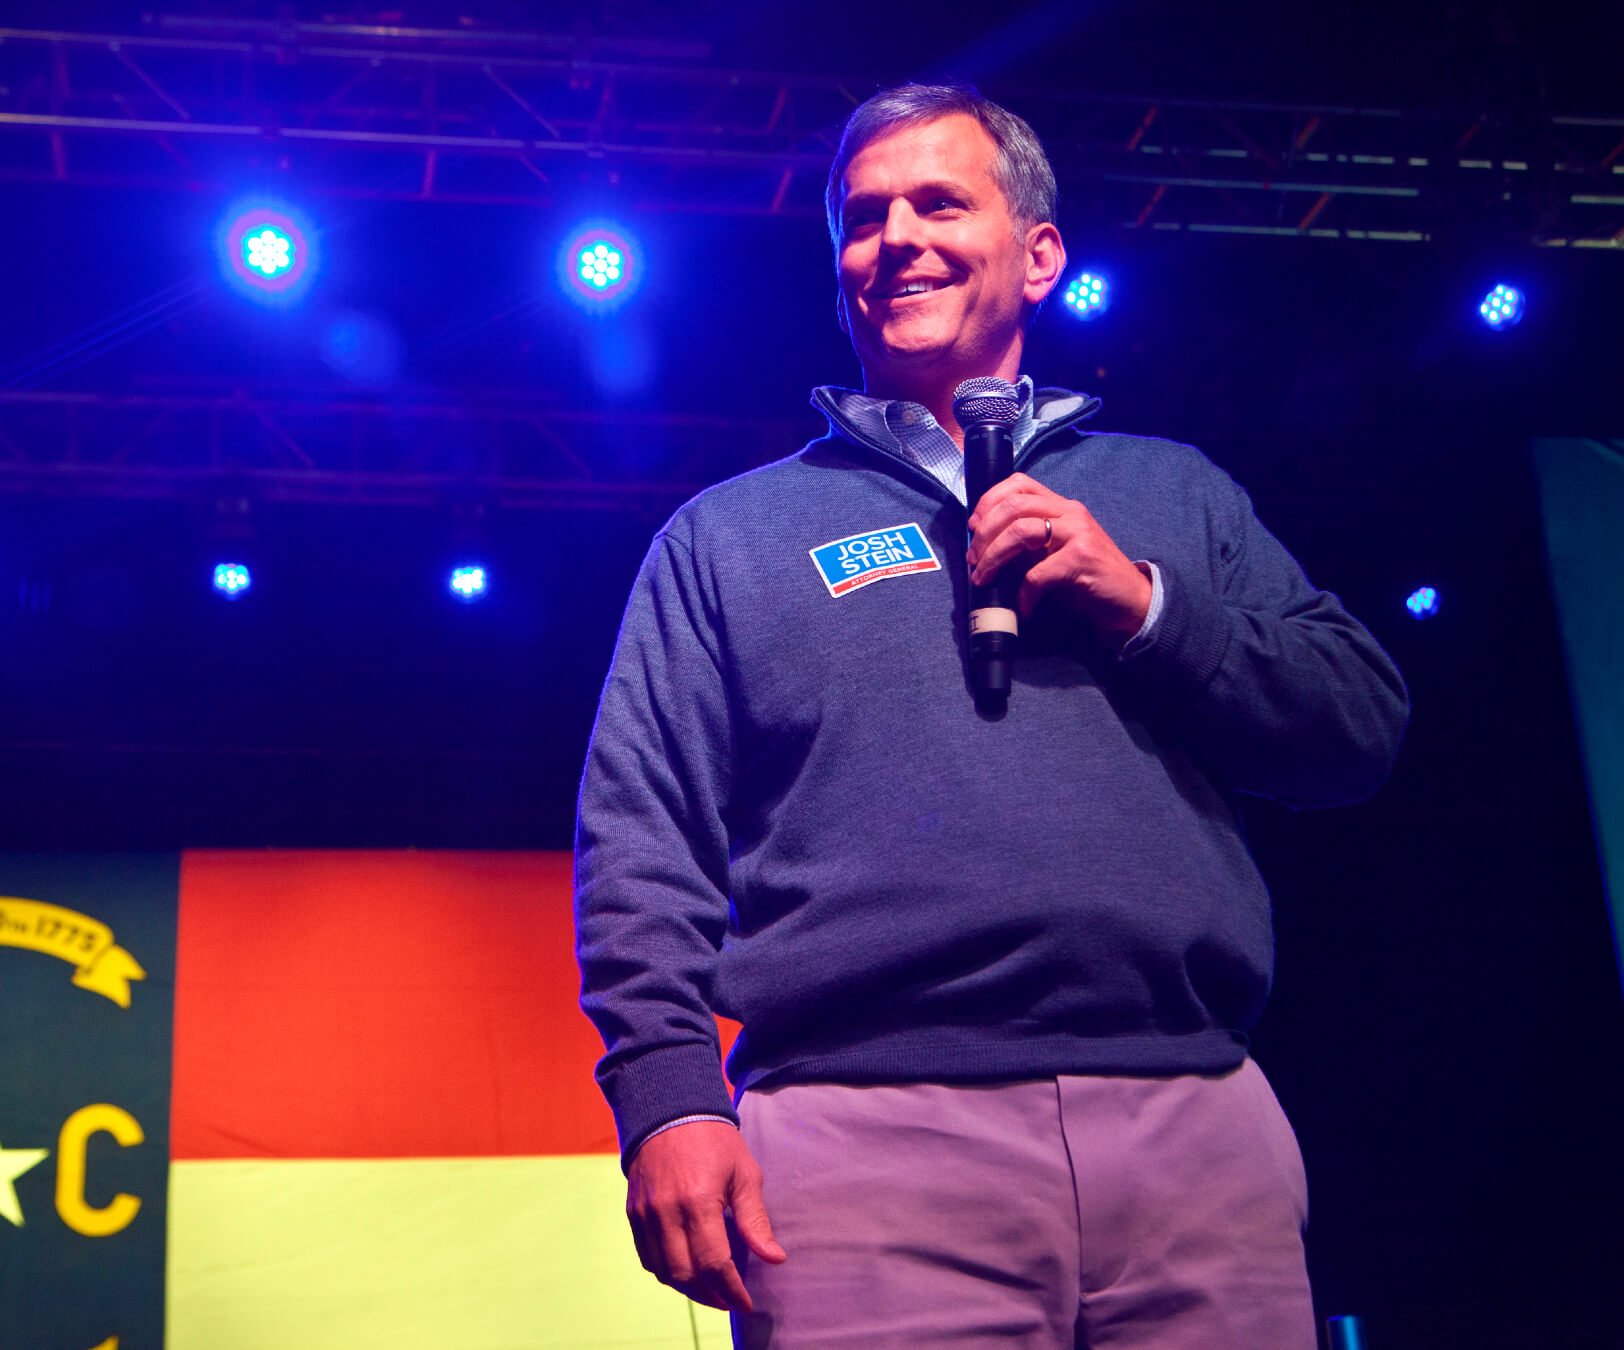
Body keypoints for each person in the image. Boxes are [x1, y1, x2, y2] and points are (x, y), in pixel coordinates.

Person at [574, 82, 1408, 1349]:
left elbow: (1358, 728)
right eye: (863, 218)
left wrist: (1141, 605)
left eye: (937, 203)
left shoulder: (1170, 492)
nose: (893, 237)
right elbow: (640, 842)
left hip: (1196, 1126)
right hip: (858, 1144)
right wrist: (670, 1098)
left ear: (1039, 255)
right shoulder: (728, 537)